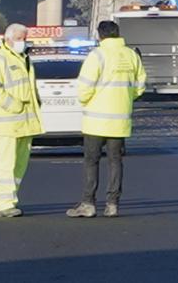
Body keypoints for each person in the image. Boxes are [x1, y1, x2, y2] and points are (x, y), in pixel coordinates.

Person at [67, 20, 146, 219]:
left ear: (100, 35)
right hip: (120, 120)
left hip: (96, 120)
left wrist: (86, 101)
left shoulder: (97, 55)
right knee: (115, 162)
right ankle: (112, 204)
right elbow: (140, 85)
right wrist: (126, 98)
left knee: (91, 162)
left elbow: (84, 87)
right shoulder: (131, 55)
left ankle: (88, 203)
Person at [0, 23, 43, 218]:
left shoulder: (24, 59)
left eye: (24, 38)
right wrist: (13, 105)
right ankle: (6, 204)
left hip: (26, 122)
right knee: (5, 164)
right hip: (7, 122)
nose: (23, 42)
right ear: (8, 39)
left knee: (20, 165)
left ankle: (0, 199)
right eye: (19, 39)